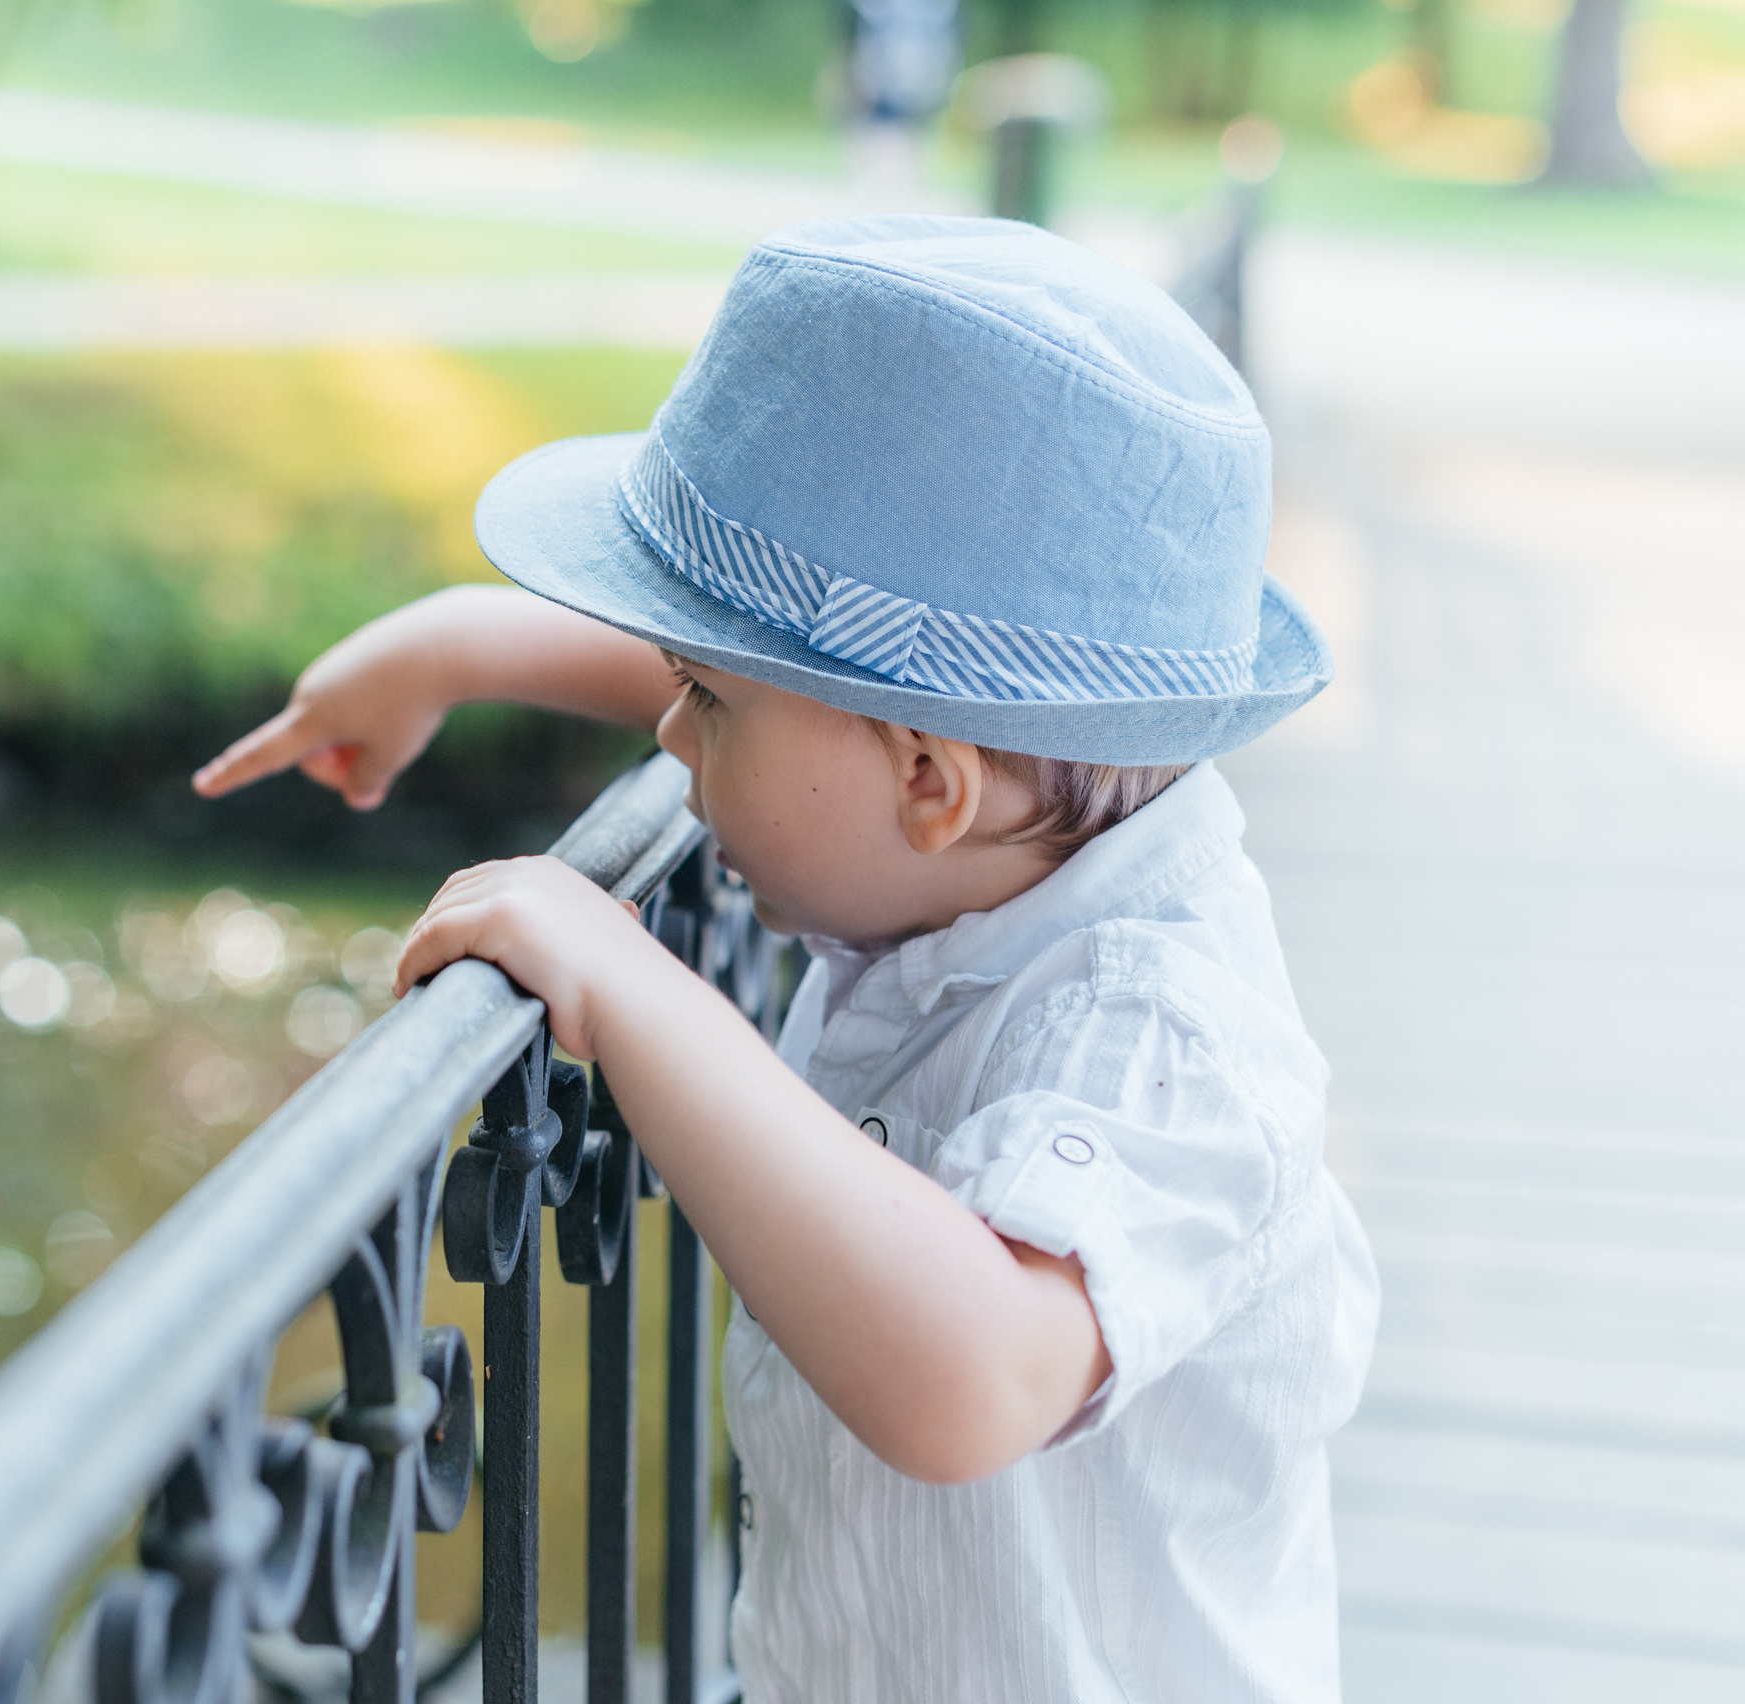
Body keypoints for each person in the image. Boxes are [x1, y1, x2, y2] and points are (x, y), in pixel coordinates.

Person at [193, 216, 1379, 1704]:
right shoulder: (996, 830)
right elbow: (816, 726)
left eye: (699, 702)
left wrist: (632, 993)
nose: (670, 736)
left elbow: (968, 1381)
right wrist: (462, 644)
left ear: (937, 786)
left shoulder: (1161, 1029)